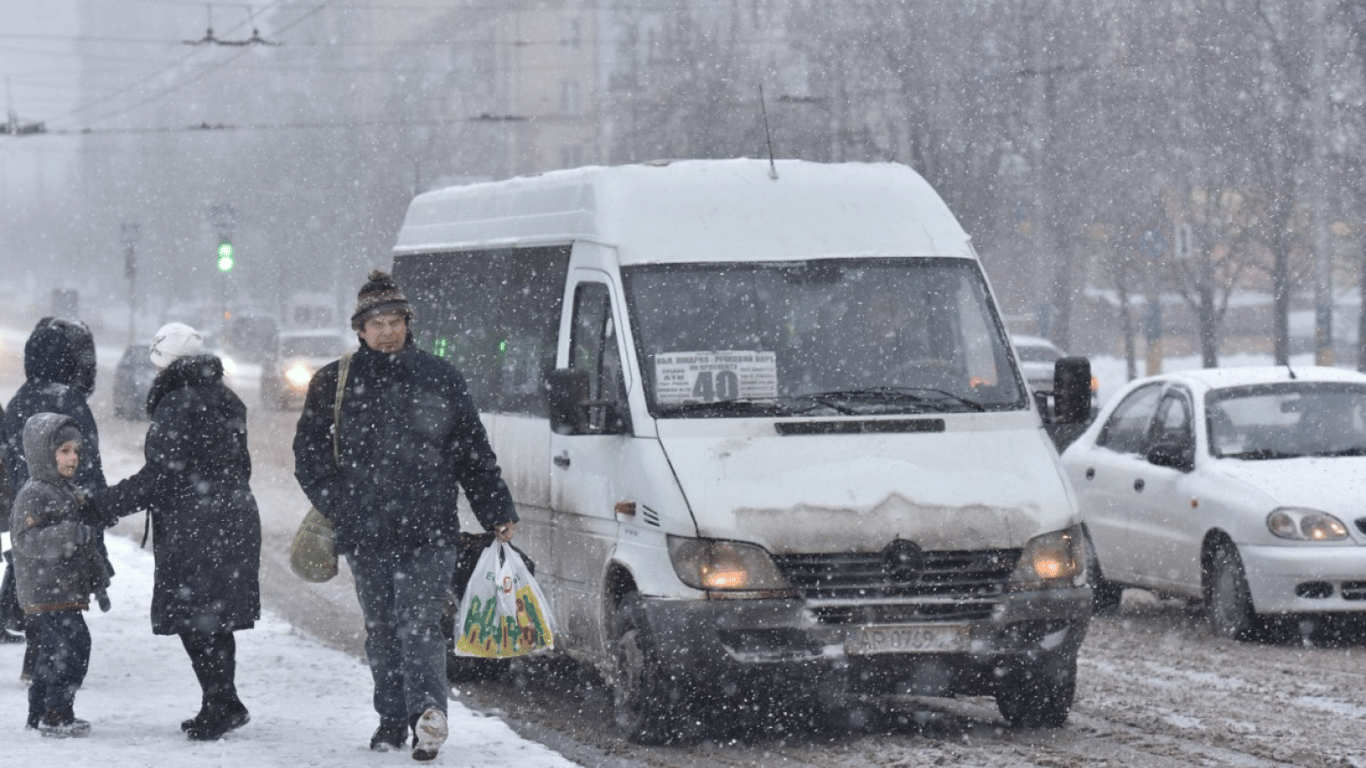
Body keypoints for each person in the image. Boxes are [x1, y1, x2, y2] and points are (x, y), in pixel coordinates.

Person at [293, 270, 518, 762]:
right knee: (381, 628)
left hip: (429, 530)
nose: (387, 331)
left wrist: (496, 508)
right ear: (359, 329)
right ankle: (390, 719)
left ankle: (427, 718)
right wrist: (342, 505)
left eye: (395, 320)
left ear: (408, 323)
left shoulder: (440, 376)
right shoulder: (334, 382)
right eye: (376, 323)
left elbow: (472, 452)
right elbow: (308, 457)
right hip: (364, 532)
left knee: (419, 624)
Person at [94, 322, 262, 741]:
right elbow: (237, 466)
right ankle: (222, 702)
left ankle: (222, 705)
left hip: (198, 526)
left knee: (196, 620)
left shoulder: (177, 404)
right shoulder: (226, 398)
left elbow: (160, 478)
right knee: (213, 620)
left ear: (166, 365)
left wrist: (103, 506)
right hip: (231, 519)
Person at [0, 317, 106, 682]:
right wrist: (98, 507)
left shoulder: (17, 402)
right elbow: (87, 460)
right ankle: (55, 684)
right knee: (63, 593)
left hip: (25, 508)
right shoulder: (70, 400)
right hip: (63, 511)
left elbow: (7, 459)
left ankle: (37, 662)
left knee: (33, 587)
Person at [9, 412, 111, 737]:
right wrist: (68, 534)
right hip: (47, 589)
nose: (73, 458)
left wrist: (98, 577)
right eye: (65, 450)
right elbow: (24, 540)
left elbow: (82, 542)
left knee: (52, 653)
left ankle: (40, 712)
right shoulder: (34, 492)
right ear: (45, 453)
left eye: (76, 452)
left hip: (64, 590)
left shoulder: (65, 490)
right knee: (71, 649)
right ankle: (55, 714)